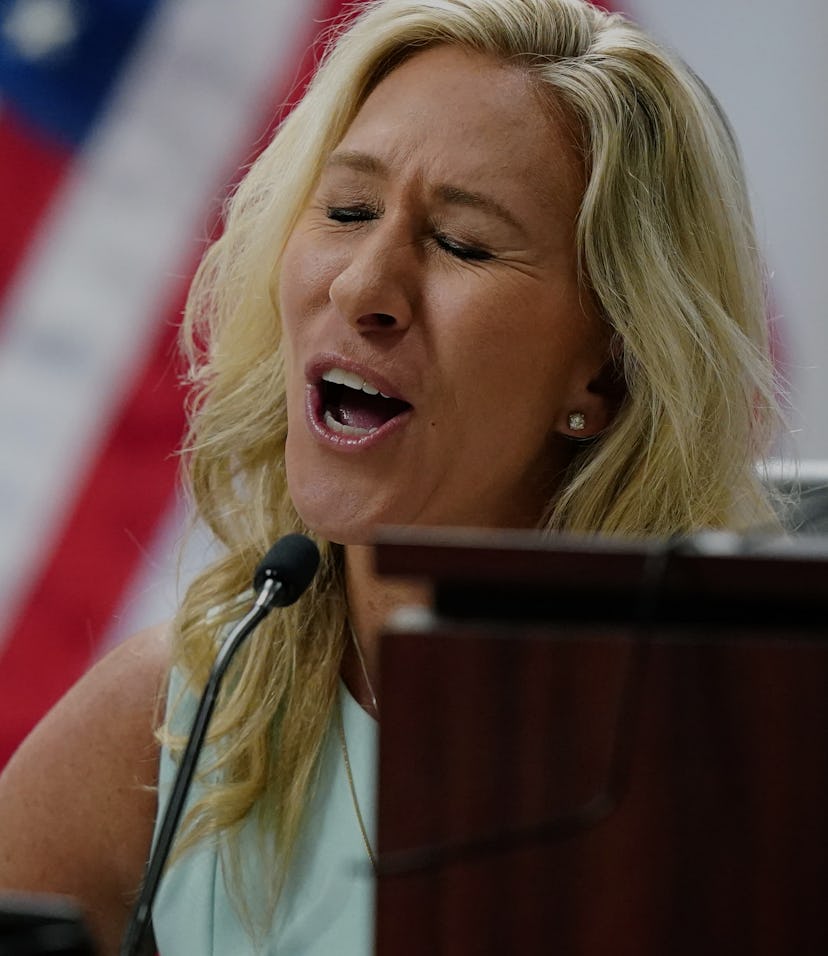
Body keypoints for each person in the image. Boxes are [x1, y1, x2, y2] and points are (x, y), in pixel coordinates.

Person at [0, 0, 783, 952]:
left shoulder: (749, 764)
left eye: (462, 243)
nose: (362, 287)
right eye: (348, 211)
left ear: (608, 371)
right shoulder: (179, 718)